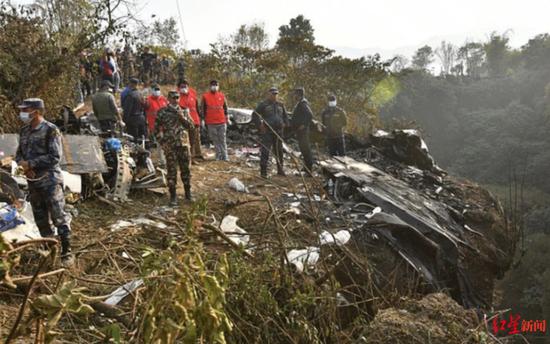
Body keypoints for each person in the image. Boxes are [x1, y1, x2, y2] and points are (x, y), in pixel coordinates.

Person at [15, 98, 74, 266]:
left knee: (59, 217)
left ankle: (67, 252)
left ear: (37, 111)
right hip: (33, 181)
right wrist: (24, 166)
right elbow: (19, 154)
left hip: (50, 181)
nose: (23, 113)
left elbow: (55, 156)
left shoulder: (50, 130)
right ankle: (49, 250)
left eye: (27, 110)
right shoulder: (24, 131)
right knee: (41, 219)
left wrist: (32, 163)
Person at [154, 91, 195, 205]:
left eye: (177, 97)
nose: (176, 99)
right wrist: (162, 143)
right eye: (173, 98)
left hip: (183, 145)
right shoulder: (162, 112)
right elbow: (156, 130)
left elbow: (191, 127)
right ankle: (173, 197)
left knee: (186, 169)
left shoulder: (184, 110)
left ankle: (188, 193)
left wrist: (182, 117)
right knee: (172, 171)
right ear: (168, 98)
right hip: (170, 146)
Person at [253, 87, 289, 178]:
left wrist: (285, 124)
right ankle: (263, 172)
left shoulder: (281, 105)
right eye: (272, 94)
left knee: (279, 151)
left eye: (276, 94)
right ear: (268, 94)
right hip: (267, 131)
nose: (274, 96)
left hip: (278, 132)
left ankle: (280, 170)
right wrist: (260, 126)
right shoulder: (263, 105)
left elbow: (285, 116)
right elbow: (255, 115)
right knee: (265, 151)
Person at [201, 80, 229, 161]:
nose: (214, 86)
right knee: (215, 140)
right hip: (211, 122)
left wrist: (227, 117)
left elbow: (225, 107)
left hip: (221, 121)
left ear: (218, 86)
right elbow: (202, 108)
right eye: (213, 85)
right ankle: (218, 155)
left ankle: (225, 155)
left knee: (222, 139)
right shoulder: (205, 96)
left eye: (216, 85)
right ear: (210, 86)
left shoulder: (222, 96)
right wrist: (202, 119)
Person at [290, 87, 314, 175]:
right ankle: (306, 167)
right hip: (300, 132)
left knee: (305, 149)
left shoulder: (303, 104)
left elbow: (310, 115)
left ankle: (309, 170)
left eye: (295, 94)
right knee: (303, 149)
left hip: (303, 132)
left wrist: (303, 125)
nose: (294, 96)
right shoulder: (300, 103)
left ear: (299, 95)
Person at [178, 80, 203, 161]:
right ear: (179, 88)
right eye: (182, 87)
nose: (184, 88)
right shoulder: (177, 97)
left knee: (195, 140)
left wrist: (200, 119)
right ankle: (188, 158)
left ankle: (195, 156)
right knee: (186, 141)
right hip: (184, 122)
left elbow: (197, 108)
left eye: (185, 86)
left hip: (195, 120)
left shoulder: (193, 95)